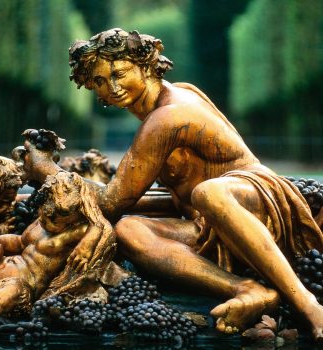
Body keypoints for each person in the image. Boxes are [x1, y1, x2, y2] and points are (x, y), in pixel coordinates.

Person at [23, 28, 323, 339]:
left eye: (120, 72)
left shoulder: (167, 118)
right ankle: (249, 290)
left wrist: (48, 171)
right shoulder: (165, 104)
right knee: (129, 229)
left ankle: (308, 305)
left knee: (209, 192)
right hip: (211, 226)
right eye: (99, 81)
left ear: (146, 66)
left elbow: (112, 202)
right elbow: (151, 201)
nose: (112, 87)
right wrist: (31, 198)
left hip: (257, 204)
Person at [0, 171, 113, 333]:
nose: (46, 217)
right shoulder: (41, 222)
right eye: (44, 212)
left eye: (54, 219)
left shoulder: (79, 231)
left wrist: (87, 244)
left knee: (12, 286)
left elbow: (102, 225)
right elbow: (19, 242)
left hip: (20, 292)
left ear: (76, 215)